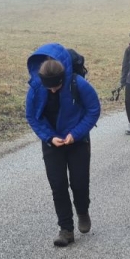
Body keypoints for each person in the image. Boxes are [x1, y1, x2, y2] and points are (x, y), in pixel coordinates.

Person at [26, 43, 102, 247]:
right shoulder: (36, 86)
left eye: (56, 87)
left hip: (77, 141)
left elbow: (93, 110)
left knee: (79, 182)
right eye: (48, 86)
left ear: (63, 78)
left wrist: (75, 134)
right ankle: (66, 230)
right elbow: (32, 116)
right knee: (58, 185)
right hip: (52, 143)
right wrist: (50, 137)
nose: (51, 90)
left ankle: (82, 210)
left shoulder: (78, 84)